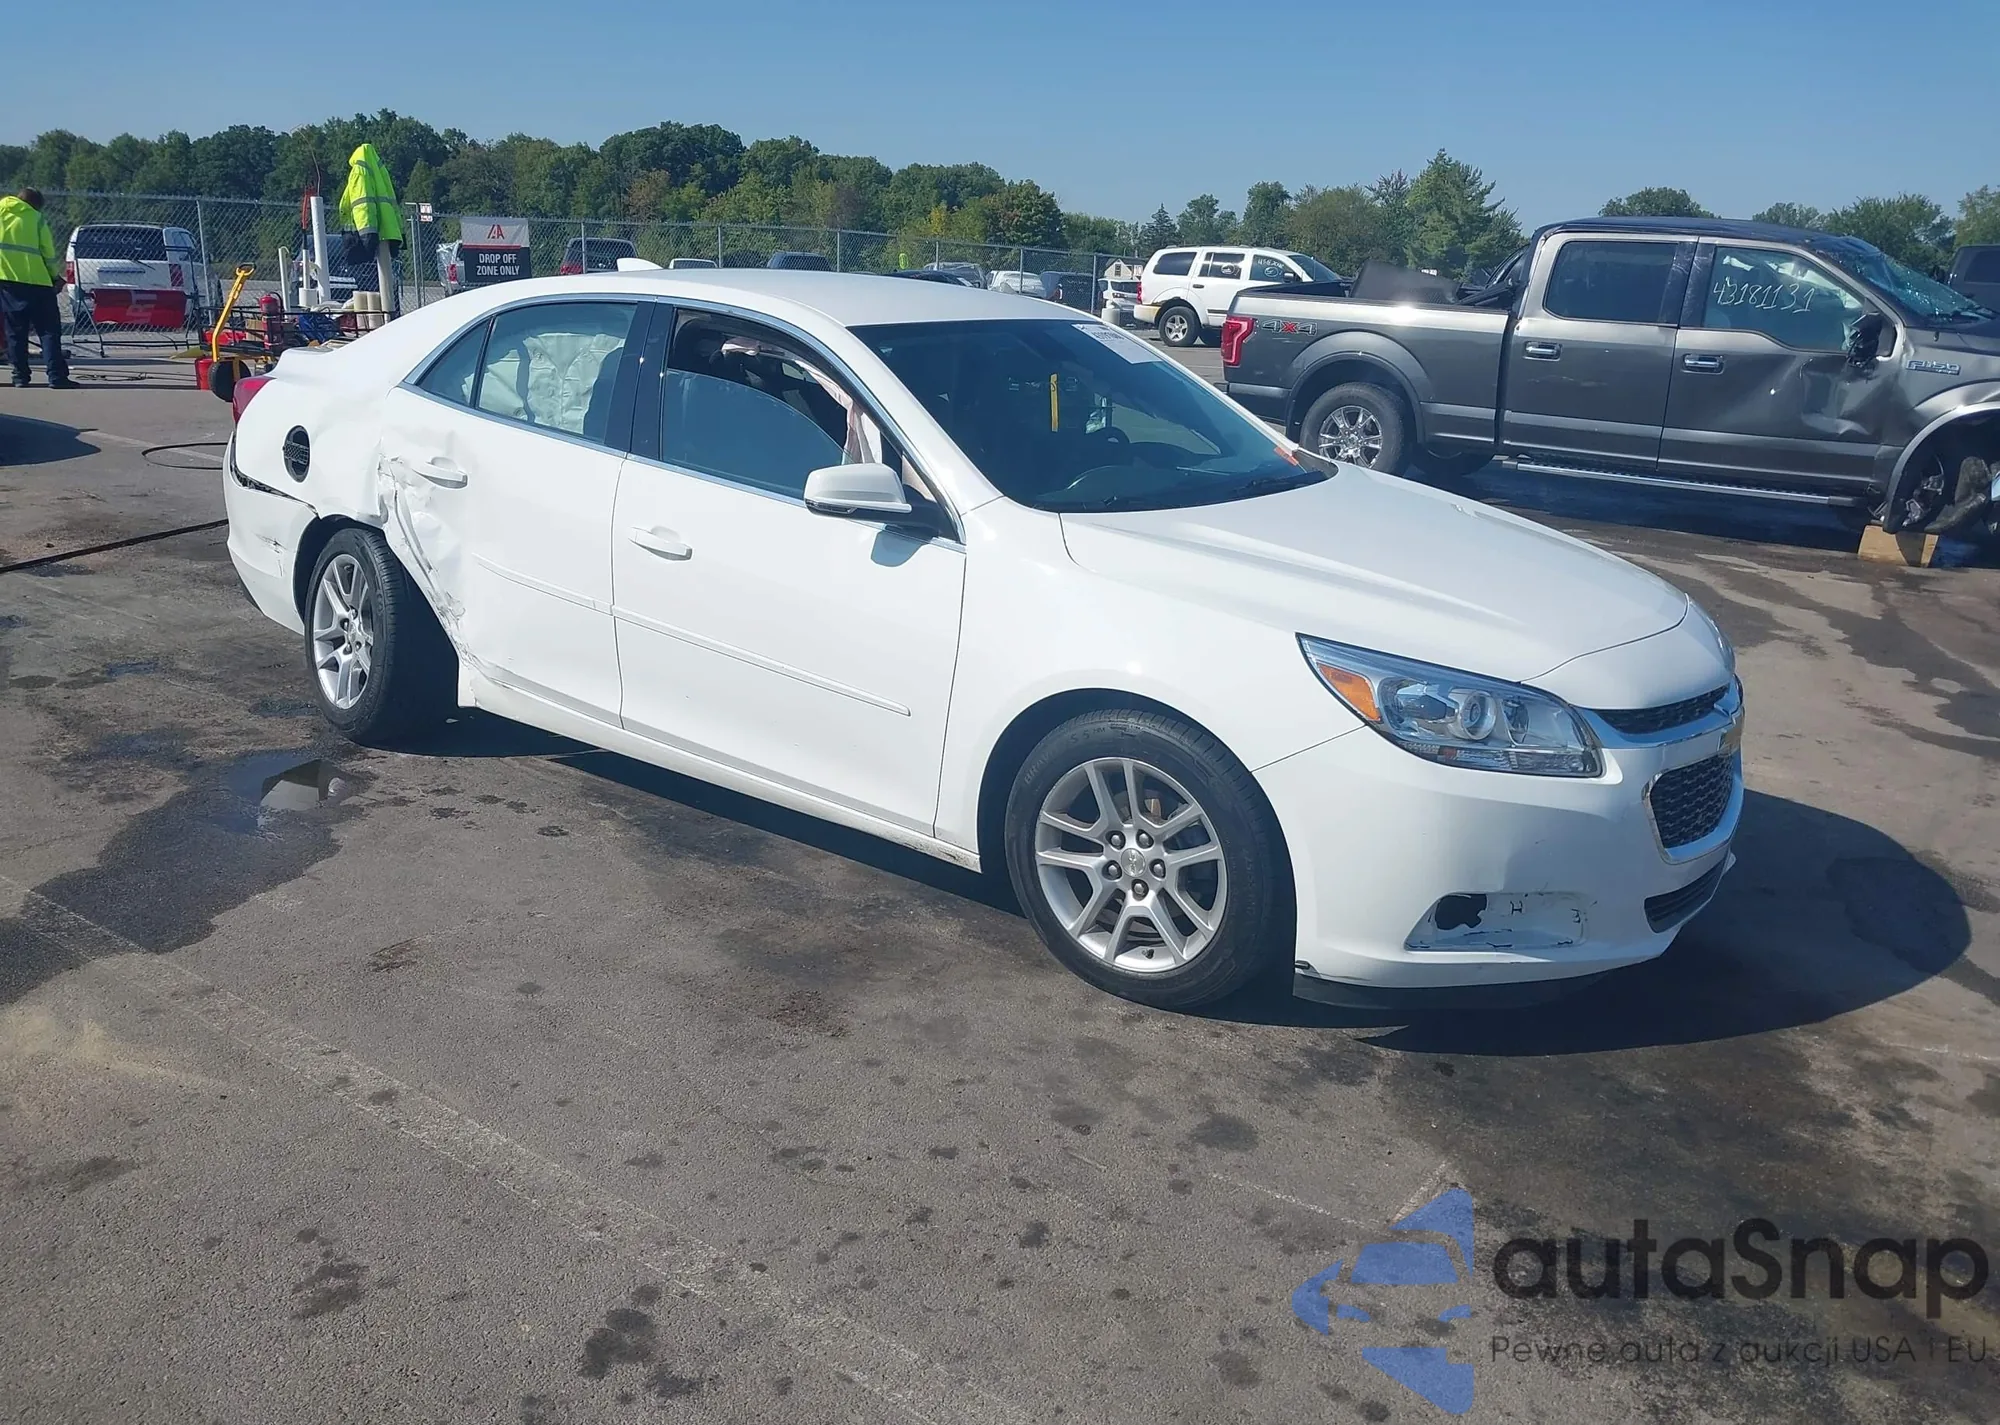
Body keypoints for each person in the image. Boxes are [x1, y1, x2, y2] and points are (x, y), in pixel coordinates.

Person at [0, 187, 76, 388]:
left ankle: (20, 377)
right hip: (38, 282)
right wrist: (55, 277)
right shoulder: (35, 219)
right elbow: (48, 252)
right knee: (48, 330)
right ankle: (56, 377)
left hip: (7, 283)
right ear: (35, 205)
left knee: (15, 332)